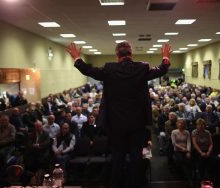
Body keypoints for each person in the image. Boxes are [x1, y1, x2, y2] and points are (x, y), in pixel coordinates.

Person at [67, 41, 171, 188]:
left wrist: (77, 58)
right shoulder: (142, 68)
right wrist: (165, 57)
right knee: (136, 159)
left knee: (117, 159)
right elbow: (162, 70)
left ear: (117, 55)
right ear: (131, 54)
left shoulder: (109, 68)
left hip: (115, 124)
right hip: (137, 123)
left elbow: (89, 70)